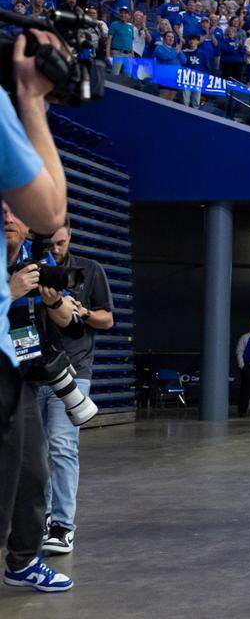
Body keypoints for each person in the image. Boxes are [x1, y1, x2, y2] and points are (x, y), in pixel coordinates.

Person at [0, 30, 73, 594]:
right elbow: (49, 207)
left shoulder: (31, 258)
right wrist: (31, 99)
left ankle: (24, 556)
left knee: (32, 470)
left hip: (18, 364)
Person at [36, 220, 113, 556]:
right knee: (36, 453)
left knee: (62, 445)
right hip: (32, 369)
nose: (56, 250)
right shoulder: (29, 269)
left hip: (73, 370)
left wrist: (82, 311)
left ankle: (62, 527)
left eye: (61, 243)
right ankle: (43, 518)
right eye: (50, 245)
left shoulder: (89, 270)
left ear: (69, 237)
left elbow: (108, 319)